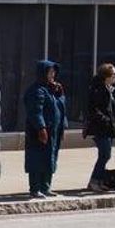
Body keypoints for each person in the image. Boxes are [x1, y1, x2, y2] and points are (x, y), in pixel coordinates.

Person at [23, 60, 67, 199]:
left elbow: (61, 108)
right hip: (40, 133)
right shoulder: (36, 90)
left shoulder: (52, 89)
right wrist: (41, 128)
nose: (53, 74)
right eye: (50, 72)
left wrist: (60, 93)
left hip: (54, 132)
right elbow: (36, 111)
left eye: (54, 71)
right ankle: (35, 188)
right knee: (37, 159)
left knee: (50, 158)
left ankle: (46, 186)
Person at [84, 63, 115, 192]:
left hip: (108, 128)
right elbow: (94, 109)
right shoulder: (98, 89)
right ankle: (94, 181)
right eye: (114, 74)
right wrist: (105, 120)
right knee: (105, 154)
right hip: (100, 129)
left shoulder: (107, 88)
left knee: (105, 155)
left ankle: (99, 181)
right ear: (106, 76)